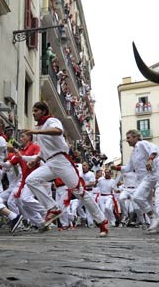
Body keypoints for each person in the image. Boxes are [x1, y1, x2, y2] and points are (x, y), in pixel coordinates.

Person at [23, 101, 109, 236]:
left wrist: (36, 131)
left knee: (80, 192)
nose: (33, 113)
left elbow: (58, 131)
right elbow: (44, 150)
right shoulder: (40, 128)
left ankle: (102, 221)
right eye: (33, 111)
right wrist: (36, 160)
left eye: (36, 111)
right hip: (50, 163)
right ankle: (52, 208)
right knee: (31, 180)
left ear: (43, 112)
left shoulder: (51, 121)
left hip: (61, 161)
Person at [111, 129, 159, 230]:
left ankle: (154, 218)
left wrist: (150, 159)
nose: (127, 140)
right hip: (142, 179)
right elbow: (128, 168)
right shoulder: (133, 153)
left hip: (150, 176)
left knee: (137, 197)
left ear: (136, 137)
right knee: (149, 202)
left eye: (128, 138)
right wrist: (116, 168)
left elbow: (154, 148)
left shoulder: (142, 144)